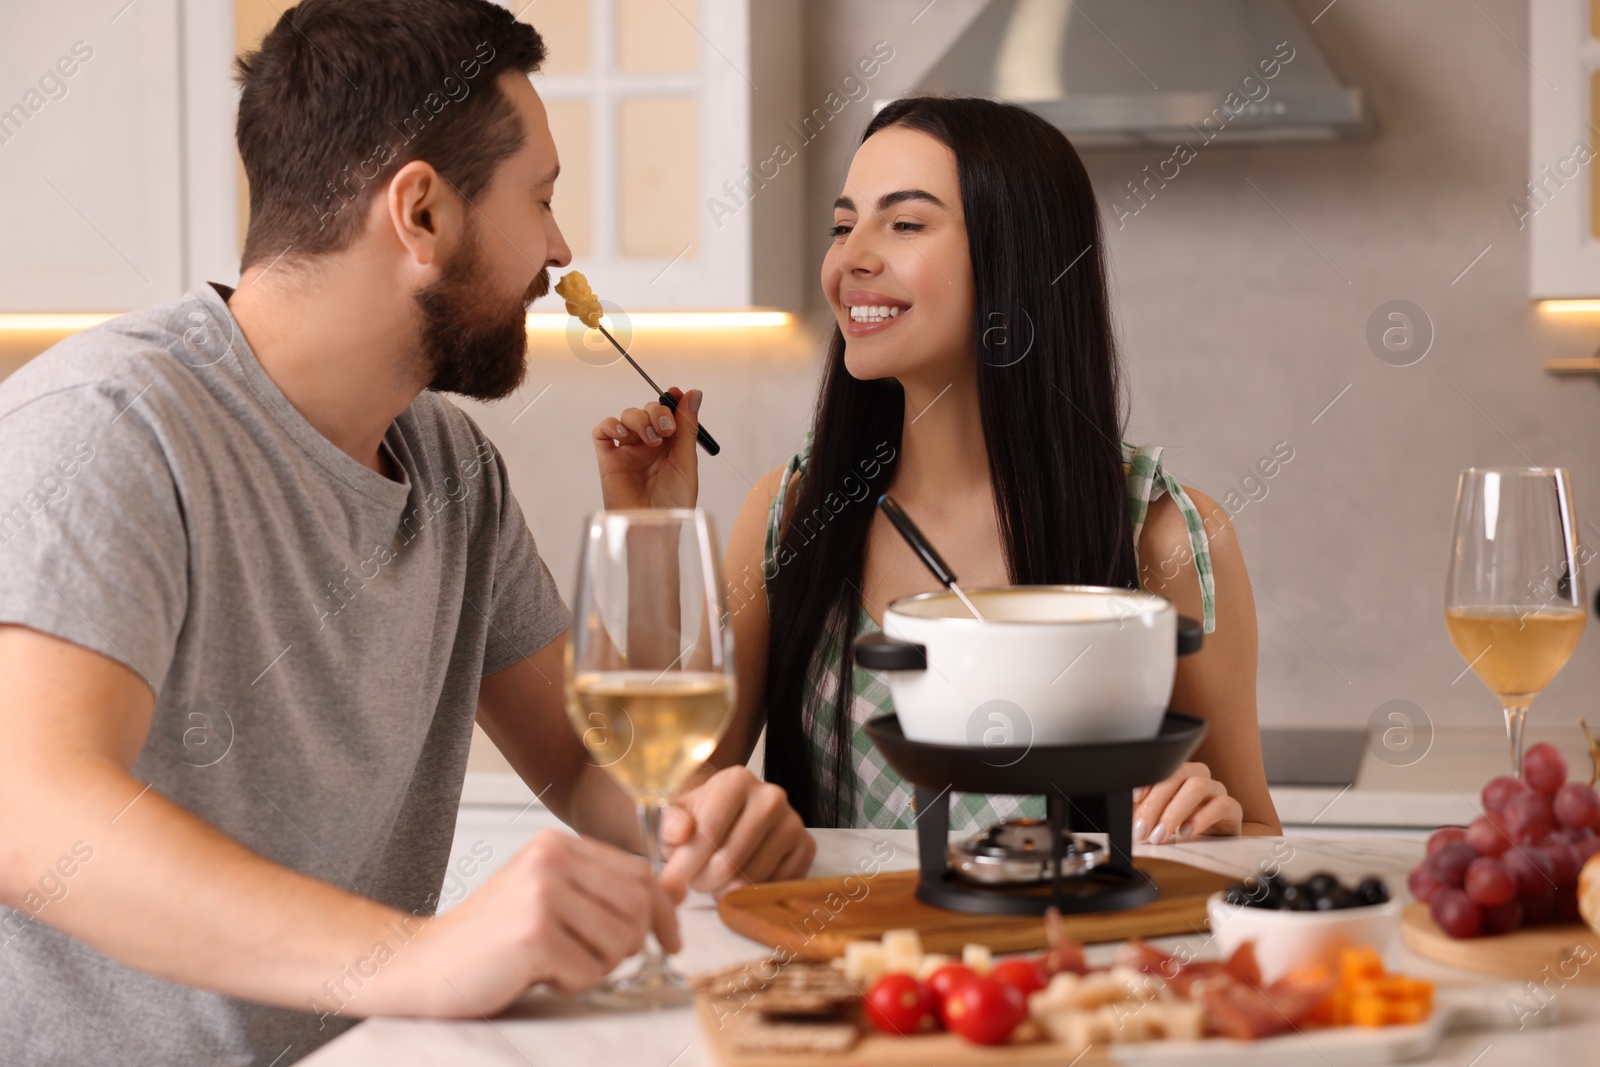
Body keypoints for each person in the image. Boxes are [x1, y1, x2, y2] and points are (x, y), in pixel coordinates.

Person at [0, 2, 810, 1064]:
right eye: (543, 199)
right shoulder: (113, 425)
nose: (560, 251)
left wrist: (699, 824)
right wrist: (413, 957)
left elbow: (586, 761)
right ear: (421, 213)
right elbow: (30, 807)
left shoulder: (450, 466)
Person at [596, 96, 1281, 840]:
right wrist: (649, 530)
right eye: (843, 225)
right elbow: (670, 809)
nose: (850, 257)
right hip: (836, 958)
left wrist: (1212, 827)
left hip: (1068, 960)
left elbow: (1253, 843)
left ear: (1016, 256)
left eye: (906, 223)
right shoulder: (791, 512)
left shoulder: (1165, 536)